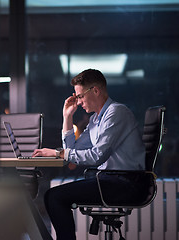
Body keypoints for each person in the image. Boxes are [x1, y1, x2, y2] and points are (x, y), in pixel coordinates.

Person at [32, 69, 145, 240]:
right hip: (109, 180)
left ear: (95, 90)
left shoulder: (116, 113)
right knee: (53, 196)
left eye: (80, 96)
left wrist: (58, 153)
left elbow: (96, 156)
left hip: (125, 183)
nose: (78, 102)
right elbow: (73, 149)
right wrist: (67, 117)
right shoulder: (96, 120)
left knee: (54, 197)